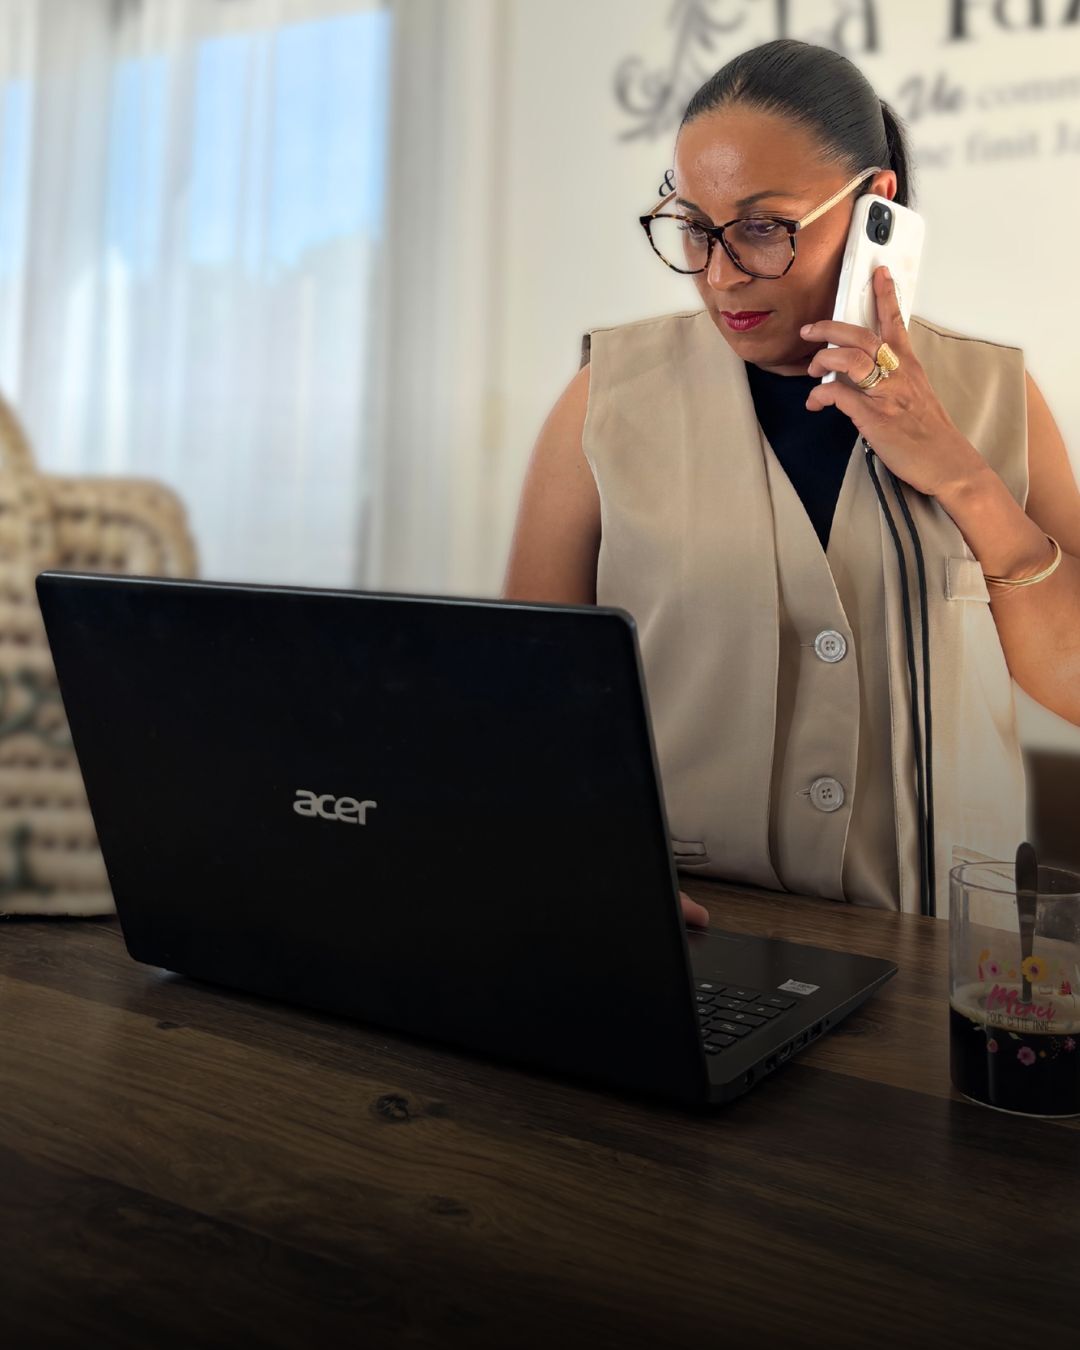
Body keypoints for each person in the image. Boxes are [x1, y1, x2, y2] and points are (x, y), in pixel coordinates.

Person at [501, 38, 1080, 925]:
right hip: (692, 927)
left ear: (875, 207)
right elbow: (529, 696)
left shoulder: (998, 395)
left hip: (941, 947)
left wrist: (963, 478)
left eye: (766, 228)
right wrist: (591, 863)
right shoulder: (604, 398)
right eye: (694, 227)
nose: (722, 274)